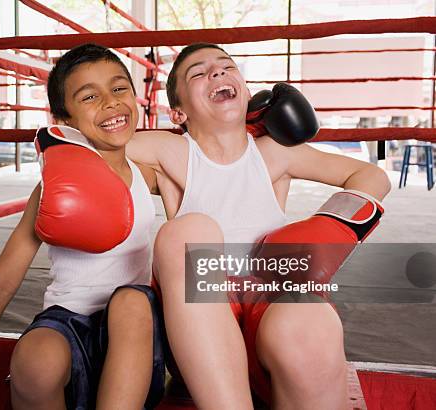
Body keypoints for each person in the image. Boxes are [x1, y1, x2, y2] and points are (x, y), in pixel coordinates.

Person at [127, 42, 391, 409]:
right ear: (179, 114)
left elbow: (369, 175)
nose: (217, 72)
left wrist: (329, 229)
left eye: (226, 66)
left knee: (308, 319)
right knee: (185, 235)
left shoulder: (274, 152)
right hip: (202, 321)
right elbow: (100, 152)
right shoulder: (168, 151)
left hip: (270, 296)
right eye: (199, 73)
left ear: (248, 94)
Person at [0, 43, 165, 410]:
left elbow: (197, 219)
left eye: (118, 88)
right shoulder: (54, 188)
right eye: (89, 96)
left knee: (130, 302)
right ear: (64, 121)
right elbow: (5, 276)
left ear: (135, 96)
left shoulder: (149, 176)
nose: (110, 102)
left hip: (136, 333)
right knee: (35, 358)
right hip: (68, 321)